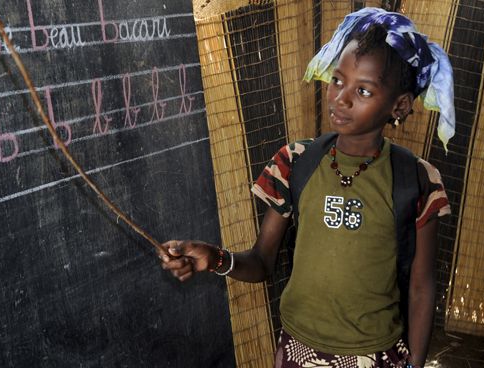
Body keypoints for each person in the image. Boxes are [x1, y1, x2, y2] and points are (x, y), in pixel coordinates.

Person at [160, 7, 454, 368]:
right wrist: (214, 258)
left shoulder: (418, 180)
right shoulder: (296, 161)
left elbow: (422, 288)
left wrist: (415, 364)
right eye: (337, 80)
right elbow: (261, 262)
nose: (340, 98)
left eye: (363, 90)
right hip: (298, 352)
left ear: (399, 105)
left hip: (377, 355)